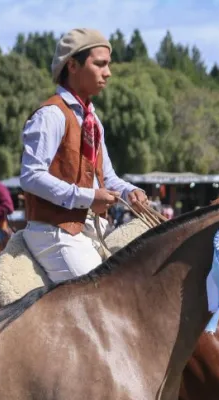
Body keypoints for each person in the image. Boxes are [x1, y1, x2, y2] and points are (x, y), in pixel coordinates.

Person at [19, 27, 147, 283]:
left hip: (88, 230)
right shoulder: (51, 115)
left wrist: (129, 192)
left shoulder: (93, 120)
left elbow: (107, 178)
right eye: (99, 64)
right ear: (73, 66)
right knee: (103, 294)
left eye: (108, 65)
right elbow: (30, 177)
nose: (108, 73)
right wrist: (87, 199)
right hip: (52, 233)